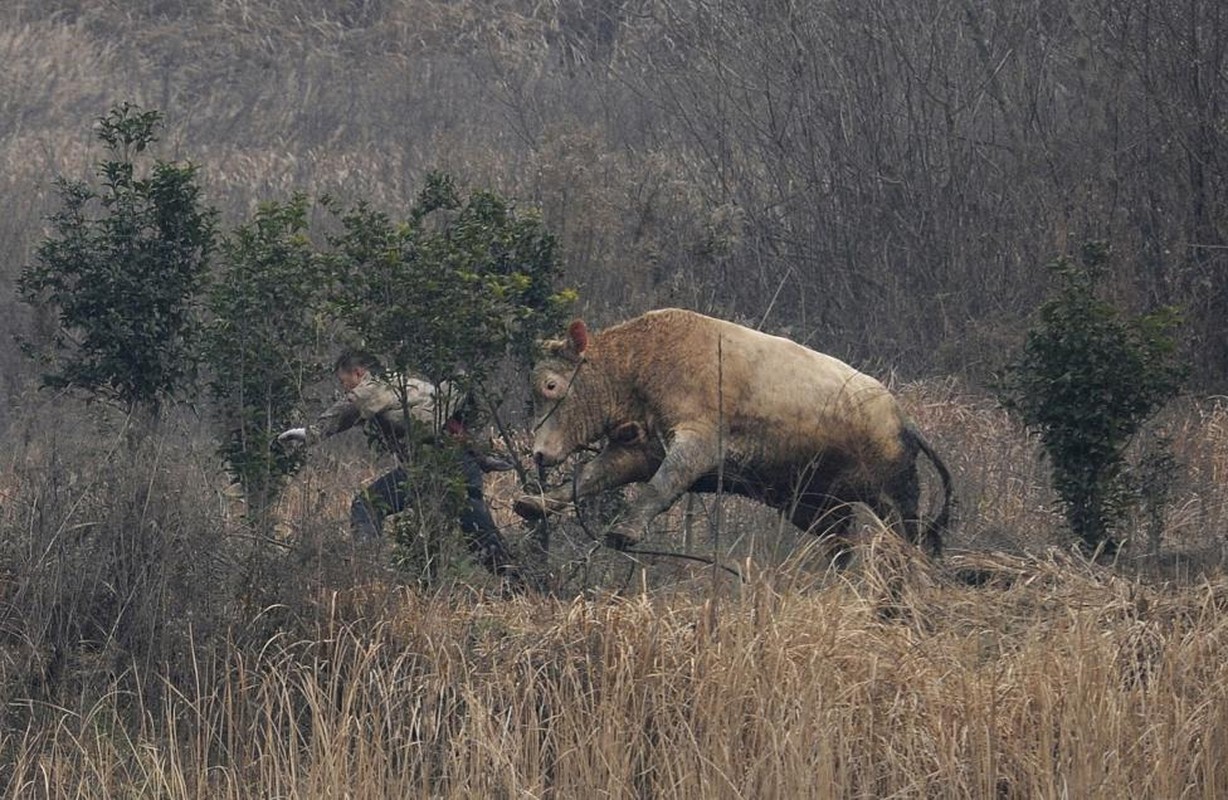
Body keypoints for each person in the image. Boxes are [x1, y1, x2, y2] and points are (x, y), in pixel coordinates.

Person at [278, 350, 521, 587]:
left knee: (368, 504)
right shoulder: (412, 385)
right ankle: (516, 577)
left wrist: (311, 433)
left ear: (359, 373)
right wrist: (482, 459)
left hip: (433, 463)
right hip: (463, 462)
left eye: (345, 381)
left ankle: (365, 571)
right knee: (475, 526)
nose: (345, 388)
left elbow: (350, 407)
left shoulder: (377, 386)